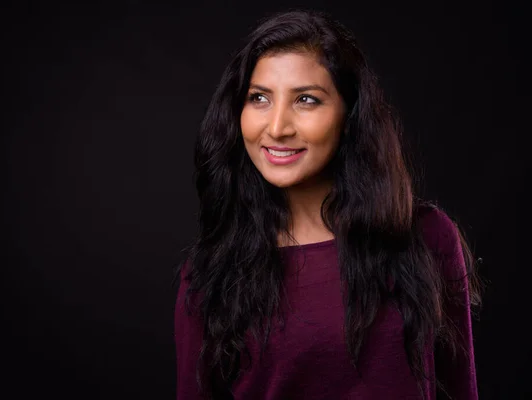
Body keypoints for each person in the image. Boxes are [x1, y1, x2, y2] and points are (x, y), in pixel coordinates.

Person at [174, 9, 482, 400]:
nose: (278, 127)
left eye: (306, 99)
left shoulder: (427, 236)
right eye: (259, 98)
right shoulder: (209, 276)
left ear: (348, 114)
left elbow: (459, 390)